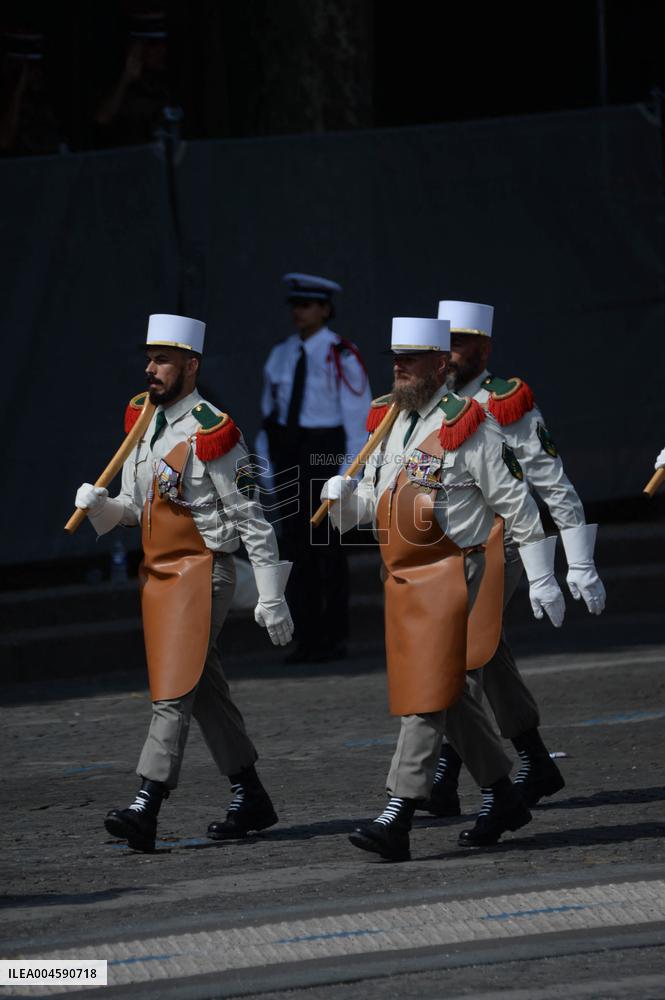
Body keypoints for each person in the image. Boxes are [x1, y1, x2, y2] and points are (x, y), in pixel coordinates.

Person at [321, 316, 566, 861]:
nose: (400, 367)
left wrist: (543, 573)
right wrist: (346, 503)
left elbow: (517, 504)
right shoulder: (389, 423)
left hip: (462, 570)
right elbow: (386, 507)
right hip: (408, 575)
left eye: (412, 358)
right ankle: (504, 793)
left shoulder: (468, 423)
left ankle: (398, 812)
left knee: (426, 693)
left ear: (439, 364)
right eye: (395, 358)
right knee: (447, 691)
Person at [74, 313, 294, 852]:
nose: (150, 369)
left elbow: (252, 519)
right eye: (149, 358)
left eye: (163, 360)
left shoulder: (214, 432)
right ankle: (251, 794)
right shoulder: (143, 420)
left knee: (173, 688)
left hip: (203, 571)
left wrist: (271, 594)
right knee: (202, 685)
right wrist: (105, 507)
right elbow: (138, 507)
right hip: (159, 572)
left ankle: (146, 803)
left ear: (190, 365)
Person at [422, 300, 606, 817]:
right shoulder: (426, 404)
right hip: (444, 553)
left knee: (457, 658)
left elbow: (552, 482)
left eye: (459, 345)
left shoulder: (504, 403)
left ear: (484, 348)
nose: (449, 356)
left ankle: (442, 774)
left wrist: (578, 563)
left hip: (502, 547)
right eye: (443, 345)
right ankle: (534, 760)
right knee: (486, 656)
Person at [260, 272, 372, 663]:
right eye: (295, 305)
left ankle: (333, 636)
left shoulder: (342, 354)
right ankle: (305, 635)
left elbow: (359, 422)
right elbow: (269, 416)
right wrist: (269, 469)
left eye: (306, 305)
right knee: (294, 548)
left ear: (325, 309)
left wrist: (347, 475)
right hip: (290, 453)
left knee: (327, 547)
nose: (299, 312)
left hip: (325, 455)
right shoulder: (280, 354)